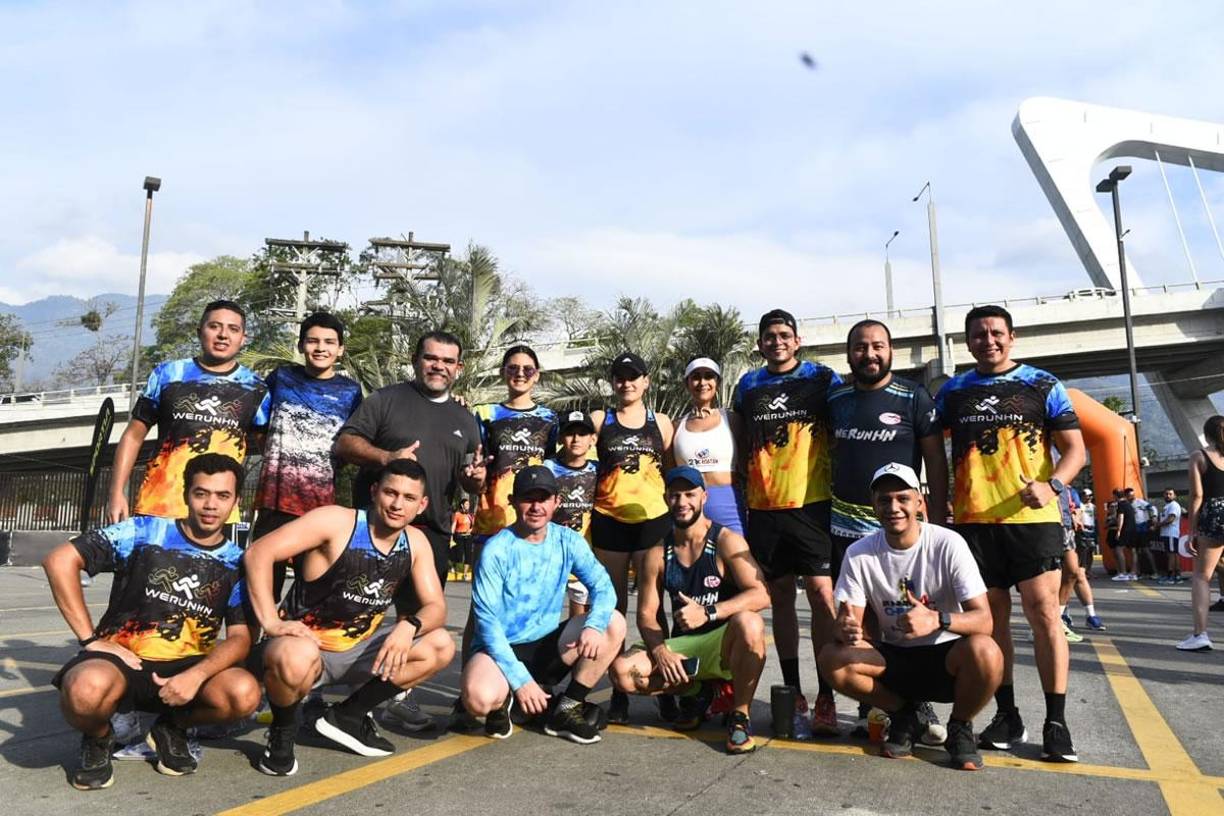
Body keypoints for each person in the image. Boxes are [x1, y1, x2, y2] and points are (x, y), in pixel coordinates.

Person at [43, 454, 260, 789]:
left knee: (244, 694)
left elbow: (241, 638)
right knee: (84, 692)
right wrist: (89, 640)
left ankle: (173, 726)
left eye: (222, 496)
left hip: (186, 669)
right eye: (201, 493)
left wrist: (197, 675)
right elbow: (59, 560)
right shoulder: (144, 531)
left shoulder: (237, 563)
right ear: (187, 494)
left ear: (236, 502)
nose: (210, 505)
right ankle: (100, 738)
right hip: (121, 661)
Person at [935, 304, 1085, 762]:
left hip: (1032, 522)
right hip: (974, 525)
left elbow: (1076, 450)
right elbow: (929, 445)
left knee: (1044, 616)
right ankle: (1008, 715)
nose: (988, 341)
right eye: (978, 335)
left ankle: (1056, 721)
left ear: (1012, 337)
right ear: (968, 342)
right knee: (993, 620)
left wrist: (1054, 485)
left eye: (996, 333)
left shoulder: (1043, 384)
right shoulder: (953, 391)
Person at [242, 458, 455, 773]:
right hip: (302, 649)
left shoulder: (416, 543)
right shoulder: (336, 522)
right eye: (390, 493)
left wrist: (408, 627)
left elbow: (436, 607)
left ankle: (347, 717)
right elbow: (258, 553)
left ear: (421, 505)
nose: (398, 504)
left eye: (409, 498)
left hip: (354, 654)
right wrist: (271, 621)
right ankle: (283, 732)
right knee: (296, 653)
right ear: (374, 491)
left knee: (440, 644)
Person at [334, 330, 486, 729]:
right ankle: (323, 684)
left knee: (419, 617)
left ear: (459, 368)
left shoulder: (465, 419)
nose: (439, 366)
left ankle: (395, 696)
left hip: (431, 532)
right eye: (431, 358)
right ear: (416, 359)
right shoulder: (387, 400)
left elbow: (469, 479)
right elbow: (345, 443)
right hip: (376, 527)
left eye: (447, 361)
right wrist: (387, 456)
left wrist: (474, 481)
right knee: (356, 607)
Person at [819, 463, 1002, 771]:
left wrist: (937, 620)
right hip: (894, 658)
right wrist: (846, 628)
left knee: (987, 651)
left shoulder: (948, 544)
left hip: (946, 656)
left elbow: (984, 620)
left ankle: (960, 725)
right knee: (831, 658)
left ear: (919, 502)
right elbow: (849, 620)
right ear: (874, 505)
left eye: (902, 498)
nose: (894, 507)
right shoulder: (859, 553)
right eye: (884, 500)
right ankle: (905, 715)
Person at [828, 319, 948, 741]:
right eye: (860, 347)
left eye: (878, 346)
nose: (869, 354)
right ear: (849, 355)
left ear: (891, 350)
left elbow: (935, 459)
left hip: (899, 523)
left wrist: (938, 510)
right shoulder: (836, 398)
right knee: (862, 620)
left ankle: (916, 696)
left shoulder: (914, 397)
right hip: (845, 524)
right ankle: (879, 704)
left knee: (907, 610)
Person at [732, 308, 843, 736]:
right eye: (769, 336)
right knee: (779, 599)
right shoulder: (748, 385)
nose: (777, 341)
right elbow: (740, 441)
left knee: (820, 596)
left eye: (784, 335)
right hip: (764, 509)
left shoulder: (821, 378)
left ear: (797, 340)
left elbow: (841, 426)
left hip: (812, 504)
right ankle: (794, 690)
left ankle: (827, 695)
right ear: (760, 343)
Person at [609, 466, 769, 754]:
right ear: (666, 499)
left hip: (722, 642)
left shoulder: (726, 541)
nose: (682, 502)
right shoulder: (657, 554)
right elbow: (646, 614)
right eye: (675, 495)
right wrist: (661, 652)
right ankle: (697, 691)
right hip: (686, 650)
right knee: (623, 673)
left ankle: (740, 716)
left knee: (751, 624)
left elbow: (761, 594)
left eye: (689, 494)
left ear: (704, 497)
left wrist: (709, 613)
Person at [461, 466, 626, 744]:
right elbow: (487, 625)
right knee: (479, 699)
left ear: (556, 502)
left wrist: (594, 625)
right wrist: (520, 681)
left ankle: (567, 708)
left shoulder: (568, 541)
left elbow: (604, 587)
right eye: (528, 498)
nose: (536, 506)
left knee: (613, 622)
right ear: (513, 501)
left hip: (547, 646)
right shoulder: (496, 550)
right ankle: (506, 700)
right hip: (501, 649)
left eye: (544, 498)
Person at [107, 300, 270, 524]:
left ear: (243, 339)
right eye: (214, 326)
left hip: (218, 518)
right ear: (199, 332)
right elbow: (133, 436)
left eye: (233, 329)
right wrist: (116, 493)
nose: (223, 335)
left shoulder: (256, 388)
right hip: (158, 507)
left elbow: (269, 455)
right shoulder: (167, 374)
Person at [253, 311, 363, 601]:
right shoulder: (281, 378)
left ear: (340, 349)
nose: (320, 348)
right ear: (301, 345)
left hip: (319, 509)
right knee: (260, 587)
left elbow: (353, 444)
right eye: (312, 341)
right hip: (273, 502)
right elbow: (257, 428)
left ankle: (295, 644)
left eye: (329, 342)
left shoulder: (350, 392)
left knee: (310, 592)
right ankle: (255, 644)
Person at [589, 352, 675, 723]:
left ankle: (667, 688)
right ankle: (619, 693)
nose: (626, 383)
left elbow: (673, 473)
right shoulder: (599, 420)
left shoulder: (662, 423)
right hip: (609, 520)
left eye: (633, 377)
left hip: (653, 522)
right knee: (614, 609)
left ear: (646, 381)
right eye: (620, 377)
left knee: (653, 610)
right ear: (613, 383)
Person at [671, 357, 747, 534]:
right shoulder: (675, 426)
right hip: (688, 507)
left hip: (728, 506)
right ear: (687, 383)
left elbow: (746, 467)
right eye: (696, 376)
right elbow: (669, 472)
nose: (702, 382)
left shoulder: (733, 420)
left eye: (709, 376)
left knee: (734, 559)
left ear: (717, 382)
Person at [543, 411, 600, 616]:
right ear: (560, 438)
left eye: (582, 434)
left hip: (585, 556)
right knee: (545, 619)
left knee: (579, 622)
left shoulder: (599, 470)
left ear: (592, 439)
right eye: (570, 433)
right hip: (551, 556)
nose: (576, 439)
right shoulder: (547, 468)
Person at [1177, 415, 1224, 651]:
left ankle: (1200, 634)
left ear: (1207, 435)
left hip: (1215, 516)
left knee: (1202, 576)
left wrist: (1193, 529)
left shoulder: (1199, 456)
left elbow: (1197, 496)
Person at [1059, 488, 1105, 632]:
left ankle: (1090, 615)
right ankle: (1061, 616)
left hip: (1069, 533)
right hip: (1049, 533)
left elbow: (1077, 510)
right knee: (1055, 577)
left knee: (1077, 573)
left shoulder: (1069, 491)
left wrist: (1076, 518)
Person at [1111, 488, 1139, 582]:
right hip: (1133, 529)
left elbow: (1121, 517)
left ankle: (1123, 573)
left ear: (1115, 496)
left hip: (1125, 529)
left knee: (1118, 549)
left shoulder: (1121, 504)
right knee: (1133, 550)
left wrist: (1118, 530)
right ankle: (1133, 573)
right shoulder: (1129, 504)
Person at [1157, 489, 1184, 584]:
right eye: (1166, 494)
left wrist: (1157, 525)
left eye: (1170, 494)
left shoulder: (1174, 505)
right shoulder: (1166, 506)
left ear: (1174, 496)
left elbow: (1170, 519)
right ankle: (1177, 576)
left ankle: (1170, 577)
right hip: (1166, 534)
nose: (1168, 495)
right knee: (1173, 554)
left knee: (1172, 554)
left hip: (1171, 533)